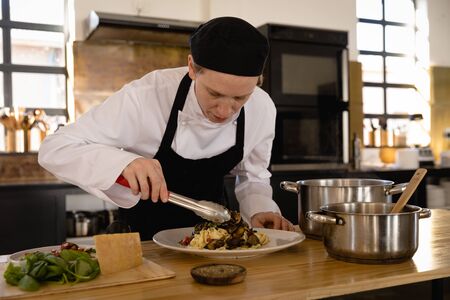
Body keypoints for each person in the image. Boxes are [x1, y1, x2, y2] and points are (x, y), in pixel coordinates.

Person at [38, 16, 295, 240]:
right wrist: (123, 162)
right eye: (215, 94)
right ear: (192, 67)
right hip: (142, 240)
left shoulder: (262, 107)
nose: (225, 112)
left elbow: (253, 175)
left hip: (215, 238)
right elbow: (55, 148)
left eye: (240, 99)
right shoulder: (146, 97)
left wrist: (261, 208)